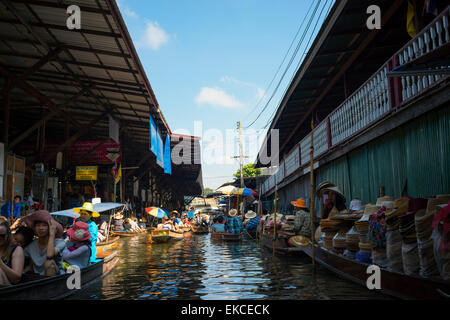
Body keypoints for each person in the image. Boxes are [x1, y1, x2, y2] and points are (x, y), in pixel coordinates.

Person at [22, 210, 65, 276]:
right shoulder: (31, 245)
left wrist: (52, 234)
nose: (41, 228)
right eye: (38, 225)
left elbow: (49, 256)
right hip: (37, 277)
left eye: (44, 225)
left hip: (57, 277)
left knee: (49, 263)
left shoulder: (60, 242)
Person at [0, 221, 24, 285]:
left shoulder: (16, 249)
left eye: (1, 236)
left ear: (8, 235)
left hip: (9, 290)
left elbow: (16, 279)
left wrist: (1, 264)